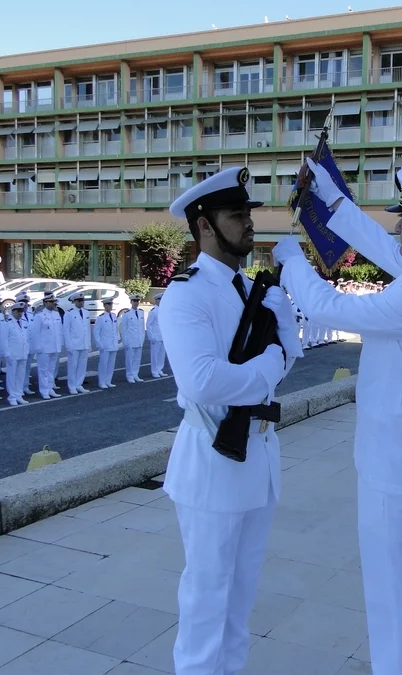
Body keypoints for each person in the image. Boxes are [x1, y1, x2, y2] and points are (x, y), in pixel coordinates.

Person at [272, 160, 402, 675]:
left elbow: (328, 309)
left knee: (394, 592)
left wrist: (292, 259)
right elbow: (384, 249)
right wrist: (329, 198)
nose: (397, 231)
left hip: (397, 463)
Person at [161, 166, 301, 675]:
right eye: (235, 215)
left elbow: (292, 355)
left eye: (248, 214)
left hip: (257, 458)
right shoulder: (187, 292)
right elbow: (202, 381)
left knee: (240, 603)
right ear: (204, 226)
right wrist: (267, 366)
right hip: (213, 463)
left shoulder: (252, 288)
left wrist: (274, 358)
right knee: (205, 600)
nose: (248, 223)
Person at [31, 292, 63, 399]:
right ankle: (44, 390)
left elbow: (59, 331)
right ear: (44, 303)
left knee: (51, 370)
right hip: (44, 348)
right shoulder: (39, 316)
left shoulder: (56, 314)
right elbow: (35, 333)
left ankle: (50, 388)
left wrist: (60, 344)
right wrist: (38, 347)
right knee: (43, 370)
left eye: (53, 302)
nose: (52, 304)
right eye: (50, 302)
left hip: (54, 346)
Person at [63, 292, 92, 395]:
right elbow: (66, 330)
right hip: (74, 344)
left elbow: (87, 329)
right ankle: (72, 386)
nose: (81, 302)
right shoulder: (69, 313)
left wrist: (88, 344)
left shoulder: (86, 312)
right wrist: (69, 345)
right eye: (79, 300)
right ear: (74, 301)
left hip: (83, 344)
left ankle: (79, 384)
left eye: (82, 300)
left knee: (82, 366)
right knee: (73, 366)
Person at [3, 303, 30, 406]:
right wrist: (7, 354)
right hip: (12, 353)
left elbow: (26, 338)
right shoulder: (8, 323)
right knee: (12, 376)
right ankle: (12, 396)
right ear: (12, 311)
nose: (20, 313)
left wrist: (26, 350)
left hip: (22, 352)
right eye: (17, 311)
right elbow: (4, 340)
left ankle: (19, 395)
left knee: (20, 375)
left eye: (21, 311)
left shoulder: (24, 322)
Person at [93, 298, 119, 389]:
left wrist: (117, 340)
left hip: (113, 344)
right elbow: (96, 332)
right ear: (104, 306)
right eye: (108, 304)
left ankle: (108, 381)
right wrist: (99, 344)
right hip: (105, 344)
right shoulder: (101, 318)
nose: (110, 306)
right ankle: (102, 381)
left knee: (111, 364)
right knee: (103, 364)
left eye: (111, 304)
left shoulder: (114, 316)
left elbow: (116, 330)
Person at [119, 295, 145, 383]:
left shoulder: (141, 312)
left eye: (137, 301)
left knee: (137, 358)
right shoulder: (126, 314)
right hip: (130, 340)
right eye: (134, 301)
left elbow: (142, 327)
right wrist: (125, 341)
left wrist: (142, 338)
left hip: (139, 339)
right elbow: (123, 329)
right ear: (131, 302)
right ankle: (130, 375)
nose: (136, 303)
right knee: (130, 359)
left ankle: (135, 374)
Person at [148, 293, 167, 378]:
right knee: (155, 355)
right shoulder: (153, 311)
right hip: (156, 336)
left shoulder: (164, 310)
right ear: (156, 301)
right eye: (159, 300)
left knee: (161, 355)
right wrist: (151, 336)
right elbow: (149, 325)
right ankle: (154, 371)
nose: (161, 301)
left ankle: (159, 369)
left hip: (163, 336)